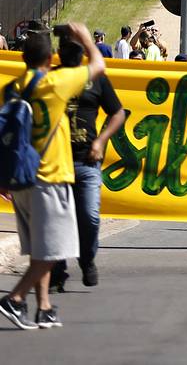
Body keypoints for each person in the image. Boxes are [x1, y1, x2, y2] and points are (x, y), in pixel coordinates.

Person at [0, 23, 105, 330]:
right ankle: (15, 299)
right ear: (51, 59)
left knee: (40, 248)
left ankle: (44, 307)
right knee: (56, 250)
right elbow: (99, 65)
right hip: (49, 176)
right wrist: (85, 36)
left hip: (20, 179)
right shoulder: (56, 83)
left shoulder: (12, 88)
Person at [49, 39, 125, 292]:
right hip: (56, 163)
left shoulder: (96, 79)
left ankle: (87, 259)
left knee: (90, 217)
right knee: (57, 220)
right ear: (59, 53)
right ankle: (57, 271)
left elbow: (118, 113)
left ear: (82, 54)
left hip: (87, 161)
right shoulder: (51, 78)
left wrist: (101, 141)